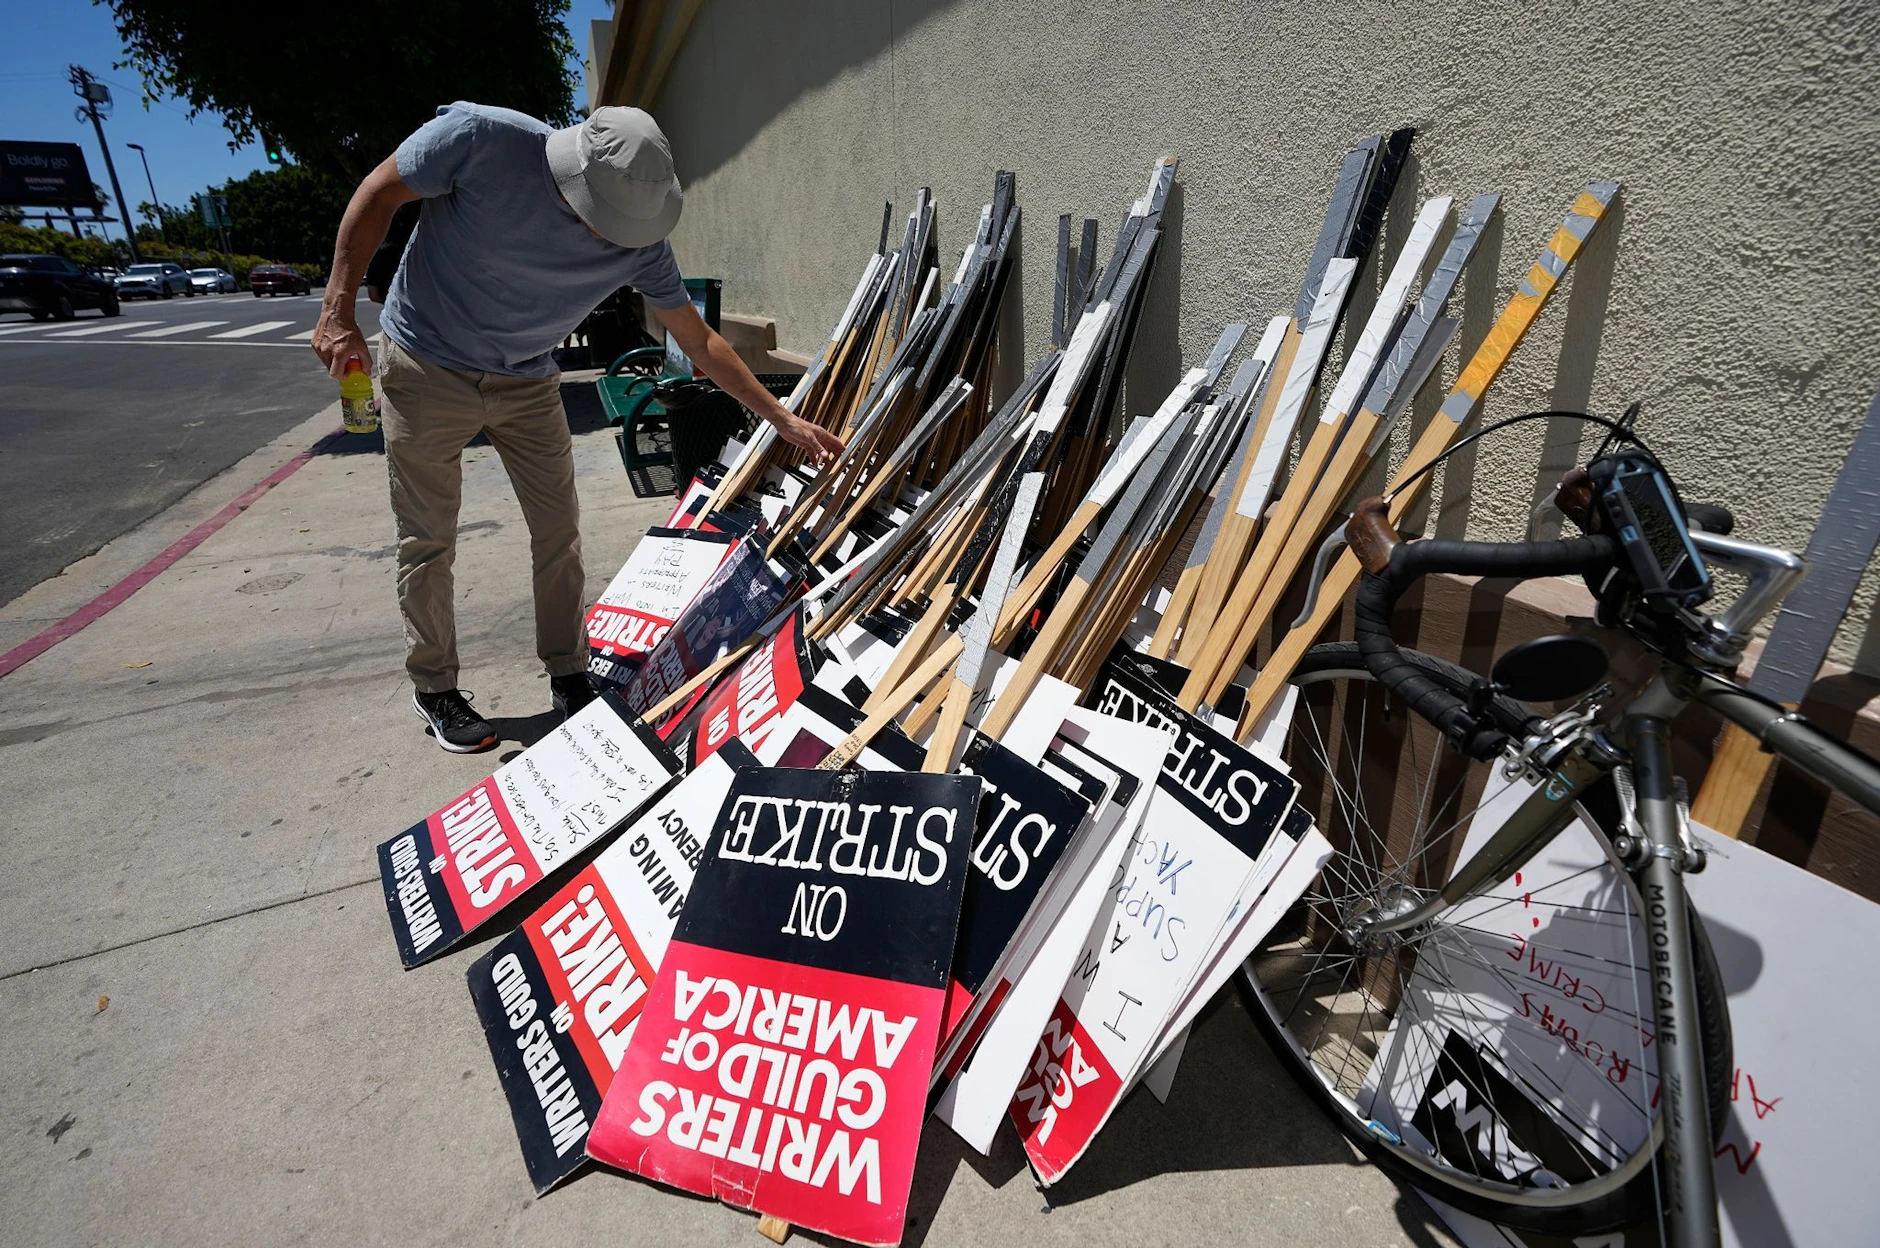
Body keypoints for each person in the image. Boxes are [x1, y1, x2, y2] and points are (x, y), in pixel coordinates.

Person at [313, 102, 843, 754]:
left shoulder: (642, 242)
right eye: (600, 220)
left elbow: (699, 341)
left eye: (621, 229)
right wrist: (337, 309)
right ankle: (436, 687)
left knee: (559, 530)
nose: (607, 239)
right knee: (428, 538)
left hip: (527, 379)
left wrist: (781, 417)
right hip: (426, 360)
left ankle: (568, 673)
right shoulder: (481, 140)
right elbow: (378, 192)